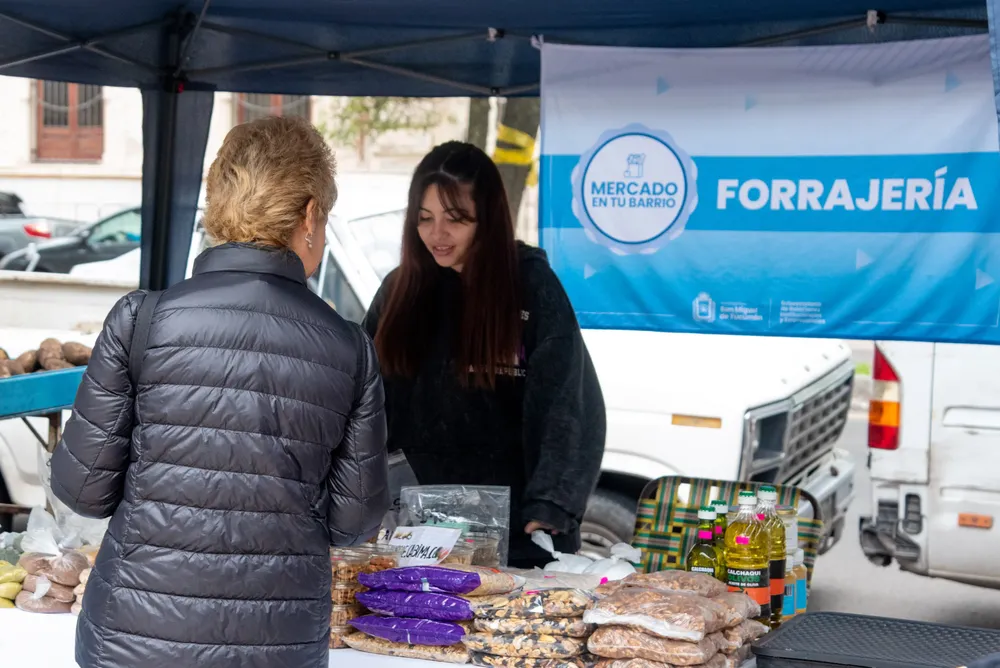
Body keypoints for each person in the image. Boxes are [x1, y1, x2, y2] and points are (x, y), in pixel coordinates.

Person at [49, 116, 390, 668]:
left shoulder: (142, 320)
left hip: (134, 636)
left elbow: (82, 489)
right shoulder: (350, 349)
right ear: (309, 215)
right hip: (279, 642)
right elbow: (355, 524)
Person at [363, 141, 606, 568]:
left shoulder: (531, 288)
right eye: (424, 219)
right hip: (416, 534)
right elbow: (363, 398)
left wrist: (552, 504)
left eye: (455, 219)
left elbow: (570, 403)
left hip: (518, 537)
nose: (437, 234)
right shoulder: (400, 291)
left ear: (487, 220)